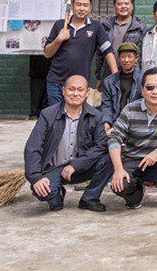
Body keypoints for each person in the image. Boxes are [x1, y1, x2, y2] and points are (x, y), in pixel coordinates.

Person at [24, 75, 111, 212]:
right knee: (42, 192)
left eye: (80, 90)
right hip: (54, 169)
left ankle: (90, 198)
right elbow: (33, 147)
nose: (75, 93)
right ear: (63, 91)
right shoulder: (48, 115)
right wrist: (35, 177)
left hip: (82, 167)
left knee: (110, 157)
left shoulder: (96, 116)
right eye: (71, 89)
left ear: (87, 93)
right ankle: (57, 193)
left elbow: (101, 146)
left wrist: (76, 165)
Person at [108, 68, 157, 212]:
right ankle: (136, 194)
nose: (155, 92)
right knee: (119, 186)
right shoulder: (130, 109)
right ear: (142, 89)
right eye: (150, 87)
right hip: (133, 161)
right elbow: (114, 138)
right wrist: (118, 169)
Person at [43, 0, 117, 106]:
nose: (82, 8)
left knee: (76, 114)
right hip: (56, 81)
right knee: (56, 114)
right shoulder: (60, 25)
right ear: (72, 6)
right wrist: (58, 39)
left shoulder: (96, 27)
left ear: (90, 8)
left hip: (79, 83)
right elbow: (47, 54)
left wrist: (116, 75)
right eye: (78, 4)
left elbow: (108, 51)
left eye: (85, 5)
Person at [95, 0, 146, 84]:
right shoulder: (105, 27)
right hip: (108, 74)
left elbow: (141, 55)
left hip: (131, 76)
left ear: (132, 6)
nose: (123, 6)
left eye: (126, 3)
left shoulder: (140, 28)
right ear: (114, 7)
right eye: (119, 4)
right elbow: (99, 53)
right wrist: (99, 76)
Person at [101, 42, 143, 128]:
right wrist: (106, 122)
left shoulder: (144, 78)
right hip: (115, 122)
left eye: (130, 56)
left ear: (136, 58)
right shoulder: (109, 81)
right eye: (123, 57)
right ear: (119, 59)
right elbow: (107, 105)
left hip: (137, 122)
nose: (126, 60)